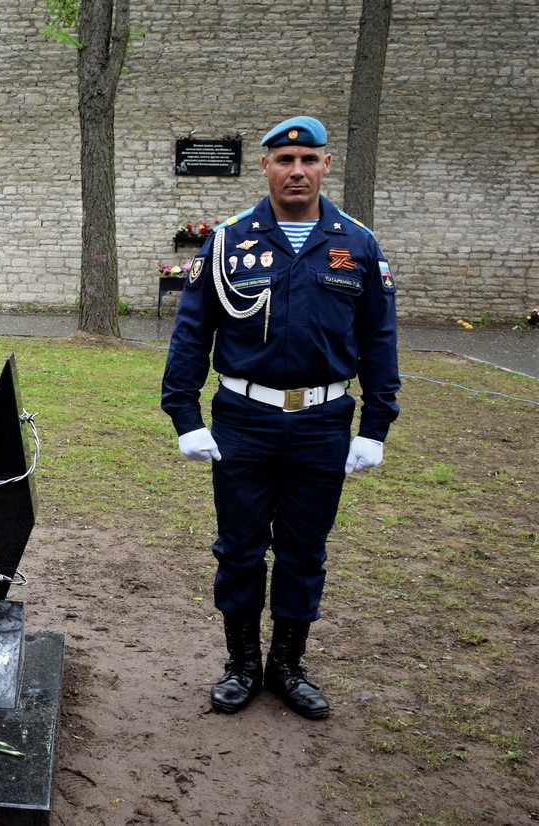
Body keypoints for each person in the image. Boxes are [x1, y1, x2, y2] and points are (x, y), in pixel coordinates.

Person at [160, 116, 399, 719]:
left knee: (303, 551)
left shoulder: (358, 245)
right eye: (285, 161)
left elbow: (379, 341)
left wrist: (374, 427)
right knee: (239, 549)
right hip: (244, 420)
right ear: (265, 166)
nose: (298, 171)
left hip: (322, 424)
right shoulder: (227, 241)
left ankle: (288, 666)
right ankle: (241, 664)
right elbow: (192, 335)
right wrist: (185, 415)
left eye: (310, 160)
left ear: (325, 166)